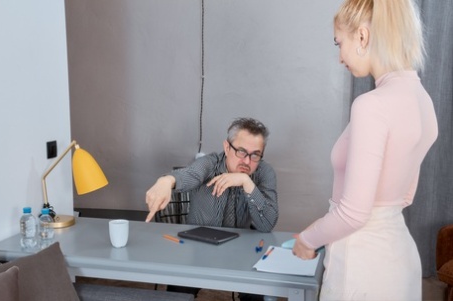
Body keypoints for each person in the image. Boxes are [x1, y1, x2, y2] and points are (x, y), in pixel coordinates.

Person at [292, 0, 438, 300]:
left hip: (361, 264)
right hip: (399, 258)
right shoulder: (423, 101)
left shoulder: (371, 106)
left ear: (362, 36)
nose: (339, 57)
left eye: (339, 42)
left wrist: (307, 239)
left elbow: (354, 214)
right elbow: (405, 196)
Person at [145, 117, 278, 300]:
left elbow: (268, 223)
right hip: (197, 251)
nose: (247, 161)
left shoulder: (264, 172)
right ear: (227, 147)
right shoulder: (209, 163)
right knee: (177, 292)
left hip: (242, 252)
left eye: (255, 154)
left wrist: (247, 183)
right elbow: (189, 174)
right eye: (241, 151)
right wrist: (166, 181)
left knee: (258, 293)